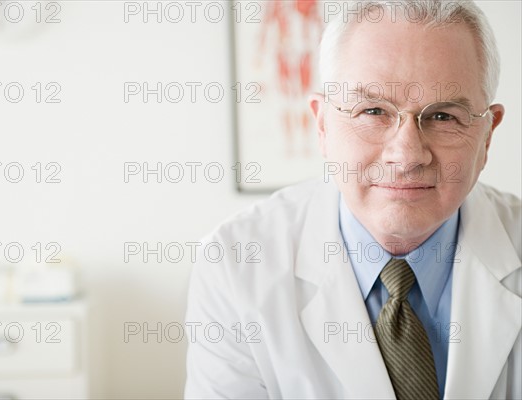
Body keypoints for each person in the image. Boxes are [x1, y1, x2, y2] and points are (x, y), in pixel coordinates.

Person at [184, 1, 521, 398]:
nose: (408, 155)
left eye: (443, 116)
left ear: (487, 136)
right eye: (373, 110)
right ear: (323, 124)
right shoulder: (234, 266)